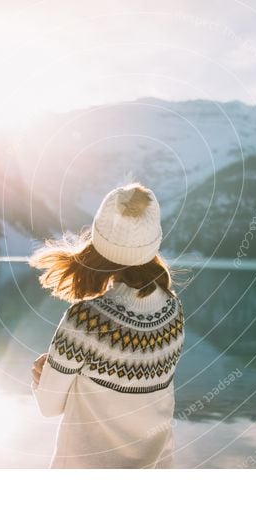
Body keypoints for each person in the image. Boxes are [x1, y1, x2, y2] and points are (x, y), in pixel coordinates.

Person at [28, 182, 185, 468]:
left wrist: (44, 377)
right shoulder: (173, 311)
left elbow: (48, 407)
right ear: (153, 242)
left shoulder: (86, 319)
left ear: (99, 239)